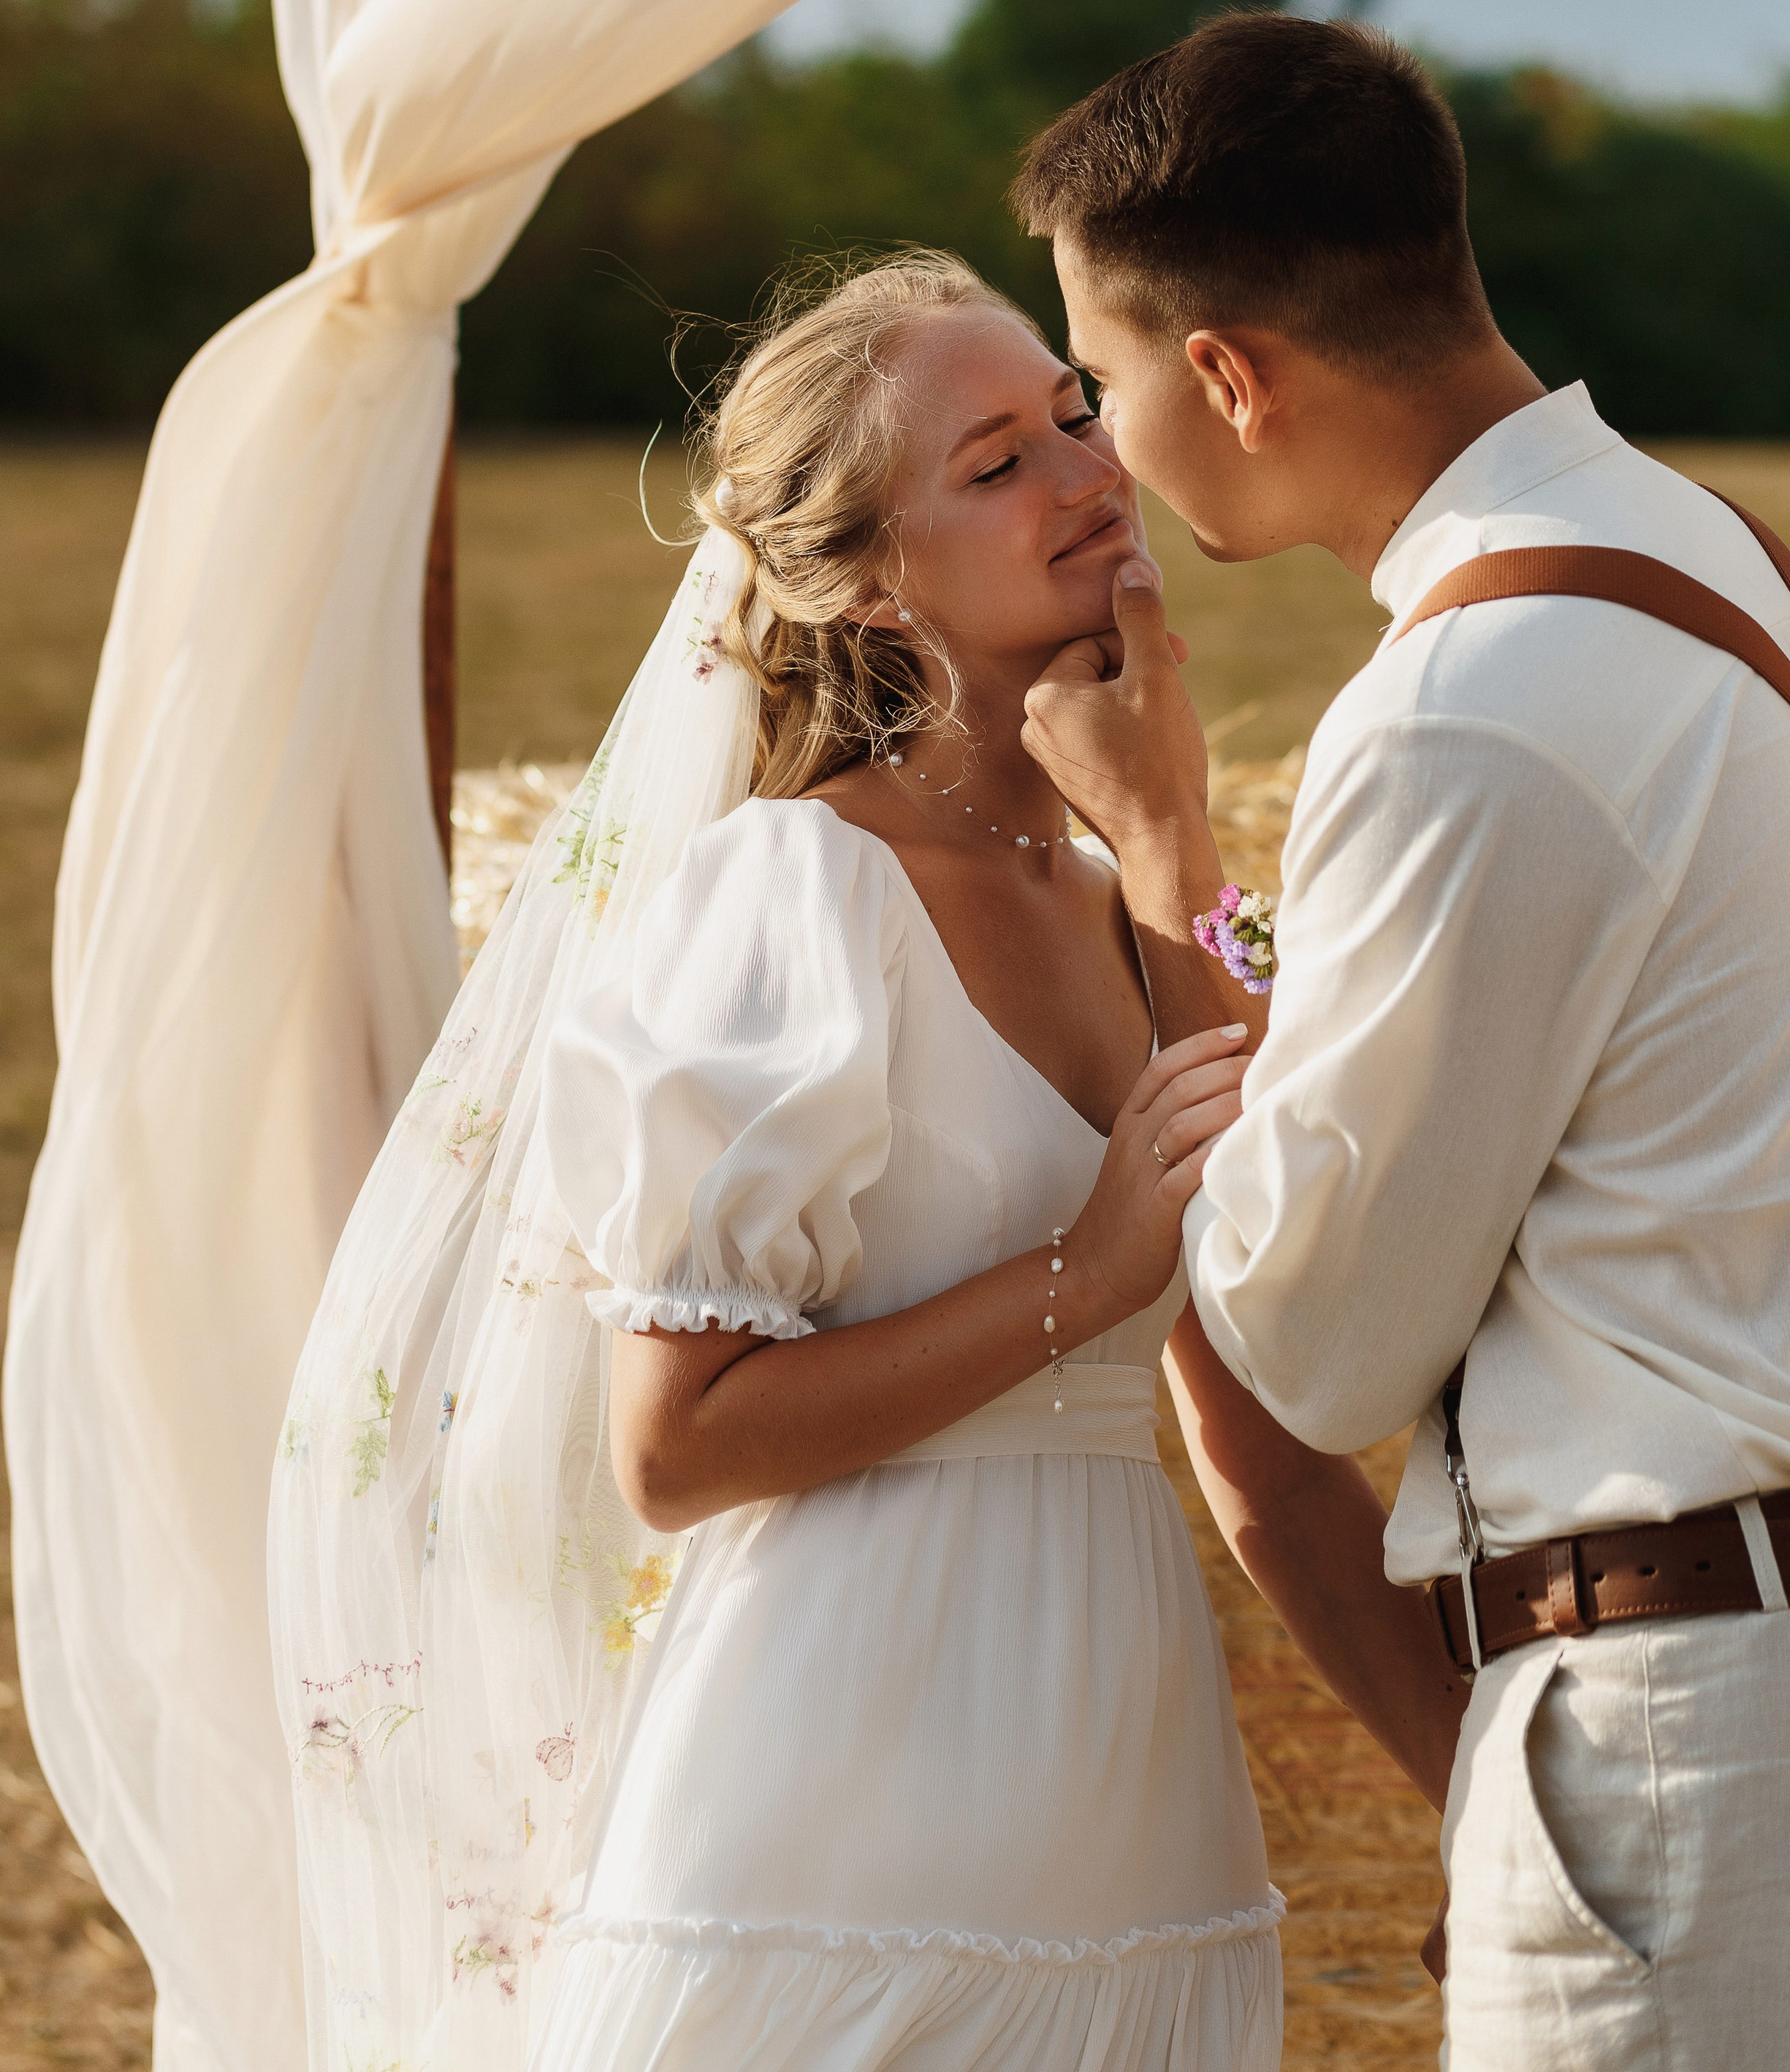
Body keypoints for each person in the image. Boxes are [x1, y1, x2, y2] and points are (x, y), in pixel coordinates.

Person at [273, 251, 1458, 2072]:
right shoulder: (791, 893)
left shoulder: (1125, 892)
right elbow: (672, 1446)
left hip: (1129, 1812)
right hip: (833, 1812)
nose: (1085, 473)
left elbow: (1278, 1319)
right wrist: (1078, 1275)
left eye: (1072, 414)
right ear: (859, 581)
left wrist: (1165, 825)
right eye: (994, 463)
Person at [1013, 10, 1790, 2068]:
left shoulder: (1467, 707)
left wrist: (1160, 857)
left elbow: (1314, 1342)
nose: (1102, 446)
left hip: (1687, 1727)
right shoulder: (1722, 563)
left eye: (1100, 380)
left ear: (1228, 374)